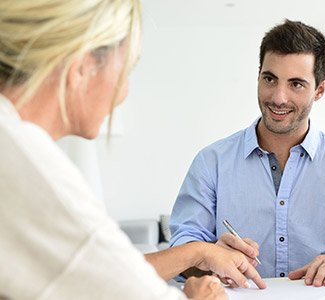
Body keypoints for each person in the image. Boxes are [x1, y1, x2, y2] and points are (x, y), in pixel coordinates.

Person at [0, 1, 264, 299]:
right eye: (126, 71)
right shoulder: (29, 166)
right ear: (83, 66)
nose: (124, 93)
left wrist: (197, 252)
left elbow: (99, 270)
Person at [169, 19, 325, 287]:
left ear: (320, 89)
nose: (278, 97)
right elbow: (182, 247)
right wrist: (206, 257)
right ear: (258, 76)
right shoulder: (211, 162)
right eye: (270, 79)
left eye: (296, 84)